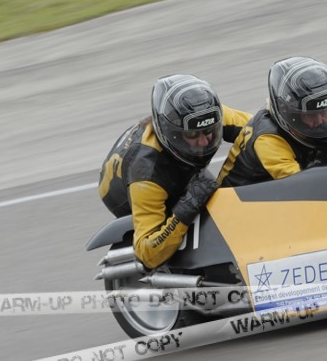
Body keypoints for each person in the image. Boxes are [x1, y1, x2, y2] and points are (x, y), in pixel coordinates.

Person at [98, 74, 251, 269]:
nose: (204, 141)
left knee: (216, 197)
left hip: (172, 164)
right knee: (192, 213)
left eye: (209, 131)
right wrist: (184, 210)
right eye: (193, 134)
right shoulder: (146, 175)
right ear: (172, 133)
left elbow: (259, 128)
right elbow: (148, 254)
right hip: (124, 193)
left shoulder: (205, 118)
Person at [218, 56, 327, 187]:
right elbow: (304, 189)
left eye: (325, 111)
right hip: (236, 202)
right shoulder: (269, 140)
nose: (321, 121)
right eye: (309, 115)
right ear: (287, 113)